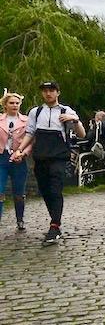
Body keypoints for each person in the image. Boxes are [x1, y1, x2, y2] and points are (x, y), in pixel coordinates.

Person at [12, 81, 85, 244]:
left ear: (58, 92)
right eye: (45, 91)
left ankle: (55, 225)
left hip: (58, 156)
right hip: (41, 156)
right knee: (45, 190)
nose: (48, 93)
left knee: (55, 189)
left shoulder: (66, 111)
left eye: (51, 90)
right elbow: (30, 134)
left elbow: (81, 134)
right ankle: (55, 220)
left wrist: (74, 119)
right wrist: (20, 150)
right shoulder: (36, 112)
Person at [0, 91, 31, 231]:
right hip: (2, 157)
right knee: (0, 191)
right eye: (11, 103)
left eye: (17, 103)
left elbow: (31, 140)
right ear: (5, 105)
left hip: (19, 159)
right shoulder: (0, 120)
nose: (15, 105)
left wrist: (23, 153)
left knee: (19, 192)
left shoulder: (26, 121)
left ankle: (20, 220)